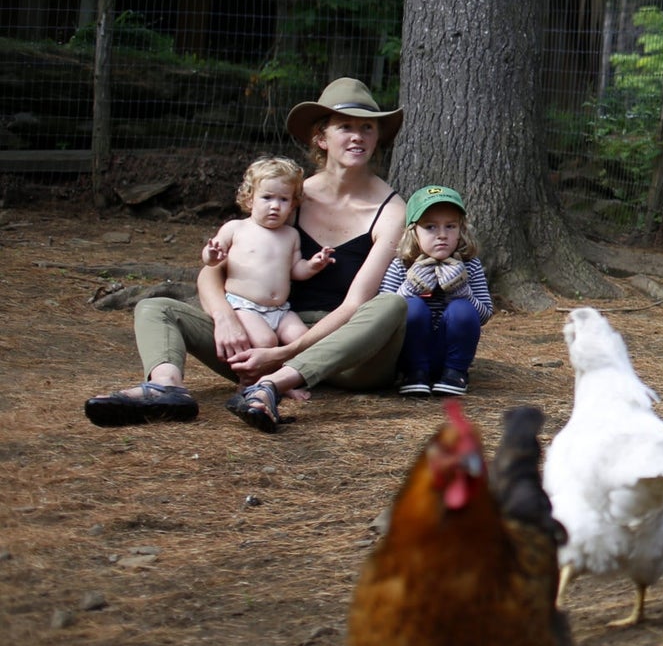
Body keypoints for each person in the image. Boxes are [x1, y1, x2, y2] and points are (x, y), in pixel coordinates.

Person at [84, 77, 409, 432]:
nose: (357, 137)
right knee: (156, 307)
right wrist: (224, 317)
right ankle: (166, 387)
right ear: (321, 137)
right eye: (345, 127)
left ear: (378, 138)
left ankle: (272, 386)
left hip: (346, 357)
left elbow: (354, 306)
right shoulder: (287, 196)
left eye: (367, 128)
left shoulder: (391, 210)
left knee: (390, 306)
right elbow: (214, 271)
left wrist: (284, 355)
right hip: (261, 341)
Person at [202, 156, 337, 350]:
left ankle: (289, 375)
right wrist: (212, 255)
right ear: (249, 199)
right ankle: (249, 377)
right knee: (266, 341)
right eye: (267, 197)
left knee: (301, 337)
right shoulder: (236, 228)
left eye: (283, 199)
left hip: (281, 309)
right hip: (245, 306)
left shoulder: (291, 235)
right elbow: (210, 260)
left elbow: (295, 271)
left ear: (292, 205)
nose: (275, 206)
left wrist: (313, 265)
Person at [383, 184, 494, 397]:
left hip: (449, 351)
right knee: (412, 307)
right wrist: (409, 289)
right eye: (430, 227)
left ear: (461, 230)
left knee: (462, 308)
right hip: (409, 351)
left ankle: (455, 374)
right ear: (413, 231)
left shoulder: (470, 265)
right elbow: (381, 314)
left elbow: (484, 315)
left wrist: (463, 291)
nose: (442, 235)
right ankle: (414, 373)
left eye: (450, 226)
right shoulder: (401, 264)